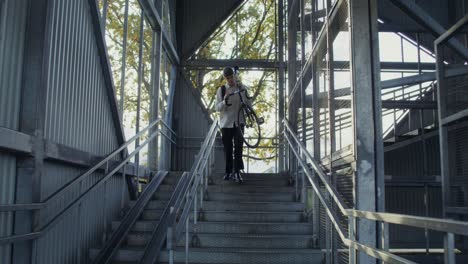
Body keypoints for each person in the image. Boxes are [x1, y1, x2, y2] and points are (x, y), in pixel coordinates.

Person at [215, 67, 251, 183]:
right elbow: (217, 108)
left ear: (235, 76)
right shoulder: (221, 90)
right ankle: (228, 172)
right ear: (225, 78)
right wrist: (224, 102)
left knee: (239, 147)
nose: (230, 79)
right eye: (228, 78)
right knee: (228, 148)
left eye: (232, 77)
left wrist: (251, 116)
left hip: (239, 122)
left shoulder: (242, 88)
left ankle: (237, 172)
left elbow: (248, 104)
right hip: (226, 124)